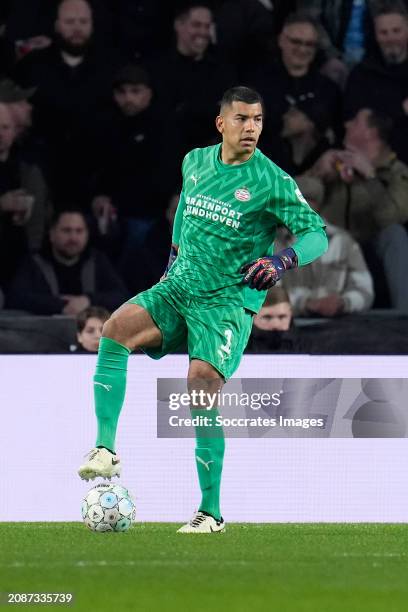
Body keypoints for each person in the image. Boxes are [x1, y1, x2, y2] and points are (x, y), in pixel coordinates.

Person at [77, 85, 328, 533]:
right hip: (178, 287)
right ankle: (104, 448)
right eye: (241, 119)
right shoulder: (194, 161)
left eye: (257, 120)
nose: (250, 128)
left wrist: (282, 259)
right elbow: (184, 214)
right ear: (221, 124)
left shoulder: (272, 181)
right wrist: (171, 261)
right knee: (114, 329)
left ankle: (210, 512)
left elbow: (316, 234)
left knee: (200, 384)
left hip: (225, 301)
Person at [12, 0, 123, 204]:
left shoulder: (111, 66)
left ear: (92, 24)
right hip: (42, 167)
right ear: (57, 25)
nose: (77, 28)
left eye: (83, 21)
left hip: (96, 171)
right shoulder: (32, 65)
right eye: (70, 21)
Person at [309, 108, 408, 310]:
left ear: (370, 133)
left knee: (395, 234)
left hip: (372, 246)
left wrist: (370, 176)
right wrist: (317, 171)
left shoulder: (397, 172)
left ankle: (403, 318)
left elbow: (392, 217)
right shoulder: (333, 163)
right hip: (332, 244)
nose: (346, 124)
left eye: (354, 121)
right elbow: (288, 201)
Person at [249, 11, 342, 162]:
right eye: (296, 42)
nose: (303, 49)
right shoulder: (257, 85)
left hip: (317, 175)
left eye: (309, 44)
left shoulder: (329, 90)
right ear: (281, 41)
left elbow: (337, 138)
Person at [281, 175, 374, 316]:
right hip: (290, 323)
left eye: (309, 200)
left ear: (318, 205)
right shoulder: (272, 243)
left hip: (337, 324)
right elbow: (264, 295)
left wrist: (343, 302)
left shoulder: (342, 241)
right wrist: (305, 303)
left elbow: (365, 290)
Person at [149, 3, 236, 154]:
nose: (202, 32)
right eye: (196, 25)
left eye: (207, 27)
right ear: (178, 25)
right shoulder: (158, 69)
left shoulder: (222, 71)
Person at [8, 209, 128, 315]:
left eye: (79, 231)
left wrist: (88, 300)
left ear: (87, 235)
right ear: (52, 234)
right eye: (66, 231)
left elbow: (122, 296)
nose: (73, 238)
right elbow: (16, 298)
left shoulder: (97, 260)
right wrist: (60, 305)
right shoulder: (34, 262)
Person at [344, 2, 408, 162]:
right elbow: (354, 120)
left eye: (396, 31)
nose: (391, 38)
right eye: (383, 32)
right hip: (372, 163)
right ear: (375, 35)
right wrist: (400, 110)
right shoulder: (361, 74)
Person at [0, 102, 49, 290]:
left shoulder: (27, 169)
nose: (1, 133)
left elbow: (40, 214)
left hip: (21, 257)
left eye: (5, 127)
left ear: (14, 131)